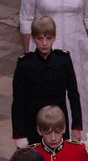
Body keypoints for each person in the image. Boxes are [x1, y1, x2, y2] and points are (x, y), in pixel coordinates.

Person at [20, 0, 88, 161]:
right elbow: (26, 18)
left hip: (78, 50)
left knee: (82, 101)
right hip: (45, 52)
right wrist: (29, 56)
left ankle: (83, 152)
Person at [12, 16, 81, 146]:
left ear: (54, 37)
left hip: (60, 126)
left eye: (48, 38)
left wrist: (76, 126)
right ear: (33, 38)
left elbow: (73, 94)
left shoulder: (63, 60)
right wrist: (19, 134)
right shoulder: (25, 64)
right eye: (40, 38)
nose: (44, 43)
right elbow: (18, 102)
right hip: (33, 128)